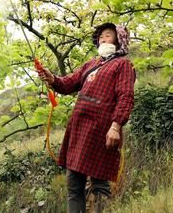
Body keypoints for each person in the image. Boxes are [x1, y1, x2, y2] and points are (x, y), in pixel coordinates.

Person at [37, 22, 136, 213]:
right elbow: (67, 84)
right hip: (79, 128)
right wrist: (52, 79)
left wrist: (116, 126)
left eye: (108, 35)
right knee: (74, 184)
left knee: (100, 185)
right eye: (101, 36)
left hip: (102, 130)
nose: (102, 39)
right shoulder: (90, 64)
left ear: (119, 39)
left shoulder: (123, 65)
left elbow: (126, 97)